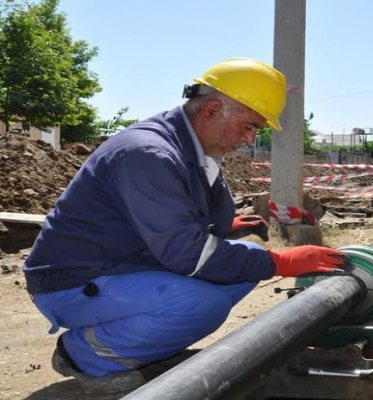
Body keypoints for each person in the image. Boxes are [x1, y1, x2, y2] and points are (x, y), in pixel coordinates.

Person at [22, 58, 348, 393]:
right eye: (248, 126)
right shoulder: (148, 153)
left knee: (245, 257)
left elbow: (168, 219)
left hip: (121, 263)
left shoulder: (190, 147)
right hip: (71, 282)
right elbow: (187, 255)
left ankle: (142, 345)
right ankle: (85, 355)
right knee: (203, 304)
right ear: (212, 110)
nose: (250, 139)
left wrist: (225, 225)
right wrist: (282, 262)